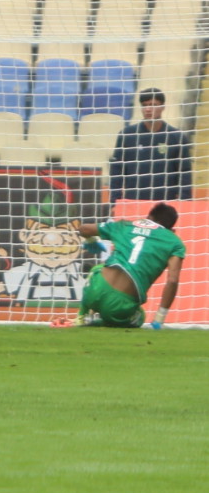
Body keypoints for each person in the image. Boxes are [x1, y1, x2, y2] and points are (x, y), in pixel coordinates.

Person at [52, 202, 186, 329]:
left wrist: (91, 241)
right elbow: (172, 280)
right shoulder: (174, 242)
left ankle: (82, 316)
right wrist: (159, 319)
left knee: (98, 268)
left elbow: (83, 229)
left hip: (93, 292)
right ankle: (96, 322)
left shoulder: (124, 226)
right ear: (171, 229)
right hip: (119, 306)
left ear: (149, 217)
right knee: (139, 316)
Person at [109, 88, 191, 203]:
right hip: (134, 202)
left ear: (162, 107)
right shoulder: (127, 135)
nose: (148, 109)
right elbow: (116, 171)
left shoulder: (176, 137)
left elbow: (185, 173)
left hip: (165, 205)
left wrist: (185, 202)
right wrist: (114, 201)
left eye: (153, 105)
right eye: (144, 105)